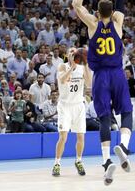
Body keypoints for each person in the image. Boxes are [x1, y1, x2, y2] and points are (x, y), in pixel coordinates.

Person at [72, 0, 133, 185]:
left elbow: (76, 5)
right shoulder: (117, 23)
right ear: (111, 13)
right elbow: (121, 2)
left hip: (100, 77)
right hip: (117, 74)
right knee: (126, 113)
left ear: (97, 12)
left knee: (104, 118)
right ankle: (124, 147)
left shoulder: (92, 25)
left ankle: (107, 161)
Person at [52, 48, 92, 177]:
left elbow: (89, 83)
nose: (74, 54)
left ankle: (79, 161)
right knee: (63, 137)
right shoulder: (62, 66)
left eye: (75, 52)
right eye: (71, 52)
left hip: (78, 106)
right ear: (67, 55)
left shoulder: (82, 68)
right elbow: (63, 80)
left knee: (81, 137)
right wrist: (72, 66)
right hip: (65, 106)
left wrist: (85, 64)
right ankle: (57, 164)